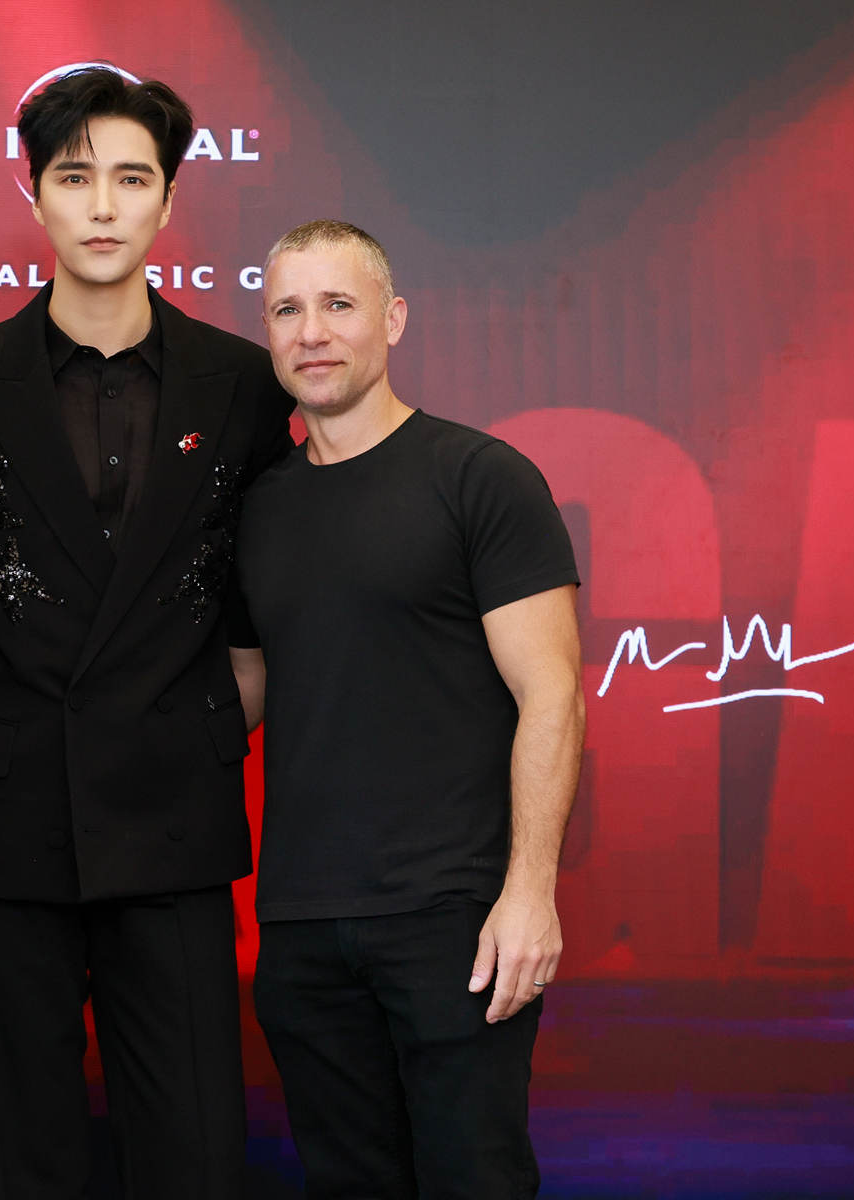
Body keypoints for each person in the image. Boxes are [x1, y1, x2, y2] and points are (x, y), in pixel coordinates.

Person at [0, 67, 293, 1200]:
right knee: (23, 1153)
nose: (105, 206)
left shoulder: (245, 386)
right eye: (75, 179)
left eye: (132, 178)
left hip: (174, 819)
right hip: (7, 825)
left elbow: (268, 600)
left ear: (171, 198)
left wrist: (205, 727)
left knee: (195, 1150)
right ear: (32, 196)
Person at [232, 219, 585, 1200]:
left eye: (337, 305)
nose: (311, 332)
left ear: (392, 320)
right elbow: (244, 692)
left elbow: (552, 693)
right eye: (287, 310)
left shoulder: (480, 478)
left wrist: (529, 892)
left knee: (476, 1180)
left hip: (454, 923)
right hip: (301, 926)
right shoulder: (257, 510)